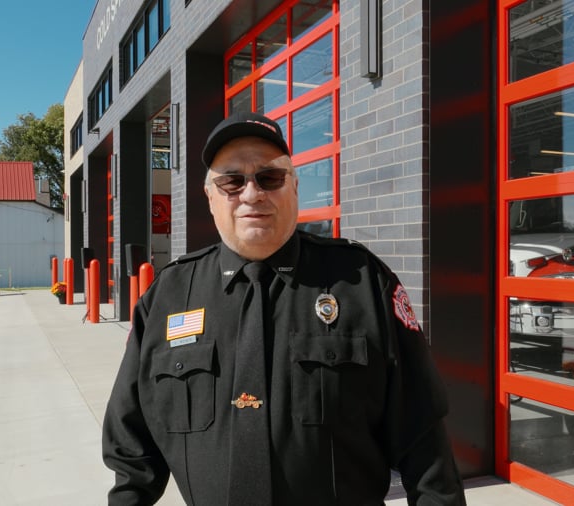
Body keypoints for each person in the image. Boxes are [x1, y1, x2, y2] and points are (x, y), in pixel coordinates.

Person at [102, 111, 466, 505]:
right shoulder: (168, 296)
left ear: (294, 189)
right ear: (210, 196)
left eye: (269, 177)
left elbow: (424, 444)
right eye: (231, 180)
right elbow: (131, 453)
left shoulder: (362, 282)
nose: (252, 194)